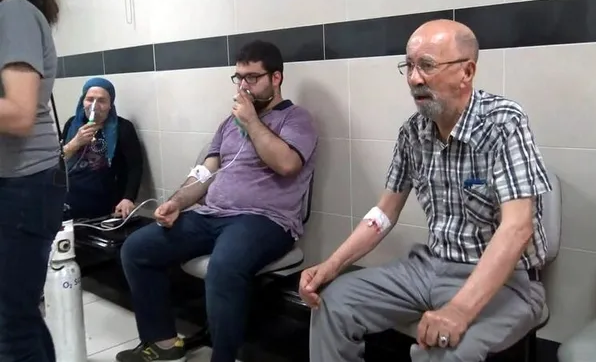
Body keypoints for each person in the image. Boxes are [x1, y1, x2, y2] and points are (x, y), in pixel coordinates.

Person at [300, 19, 551, 362]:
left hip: (506, 281)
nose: (414, 79)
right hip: (429, 266)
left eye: (427, 65)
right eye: (410, 66)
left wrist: (459, 310)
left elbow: (518, 227)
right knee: (334, 303)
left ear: (466, 72)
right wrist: (331, 265)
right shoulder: (413, 133)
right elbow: (384, 213)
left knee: (446, 350)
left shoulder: (503, 122)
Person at [116, 40, 318, 362]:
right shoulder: (228, 124)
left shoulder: (296, 119)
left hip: (265, 221)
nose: (243, 86)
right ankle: (164, 343)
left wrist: (252, 122)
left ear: (276, 78)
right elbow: (206, 171)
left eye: (253, 78)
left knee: (224, 267)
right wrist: (177, 202)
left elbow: (287, 164)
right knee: (137, 249)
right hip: (212, 215)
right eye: (239, 78)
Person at [0, 0, 64, 362]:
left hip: (24, 185)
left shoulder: (14, 15)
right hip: (15, 182)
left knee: (10, 325)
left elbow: (19, 113)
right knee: (16, 314)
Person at [61, 77, 144, 220]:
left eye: (101, 100)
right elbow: (58, 161)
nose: (94, 105)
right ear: (82, 102)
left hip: (107, 203)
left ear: (110, 105)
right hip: (70, 199)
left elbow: (135, 167)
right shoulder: (71, 125)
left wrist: (128, 198)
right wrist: (75, 142)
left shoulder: (123, 128)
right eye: (90, 99)